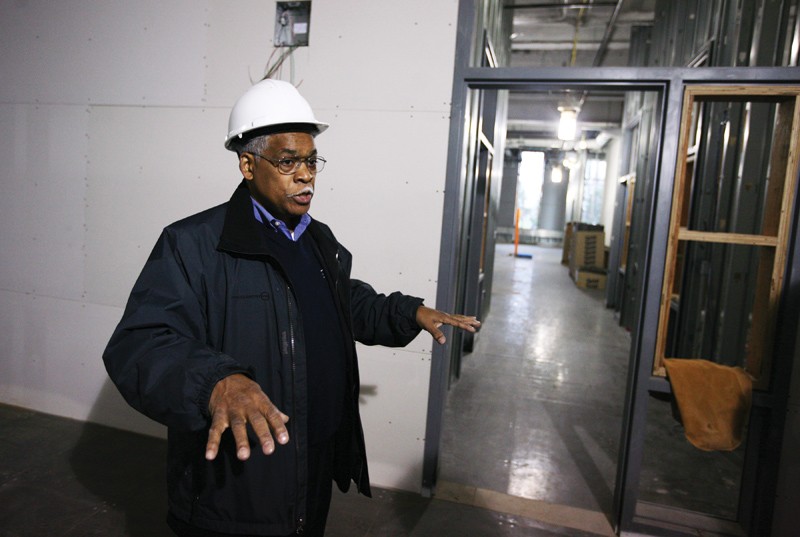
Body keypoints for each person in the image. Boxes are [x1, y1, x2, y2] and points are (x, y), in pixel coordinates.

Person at [103, 78, 480, 537]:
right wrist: (216, 382)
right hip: (234, 489)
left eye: (311, 161)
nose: (306, 175)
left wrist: (406, 313)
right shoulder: (192, 245)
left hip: (310, 468)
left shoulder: (317, 239)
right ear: (247, 164)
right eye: (287, 162)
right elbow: (140, 344)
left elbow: (341, 301)